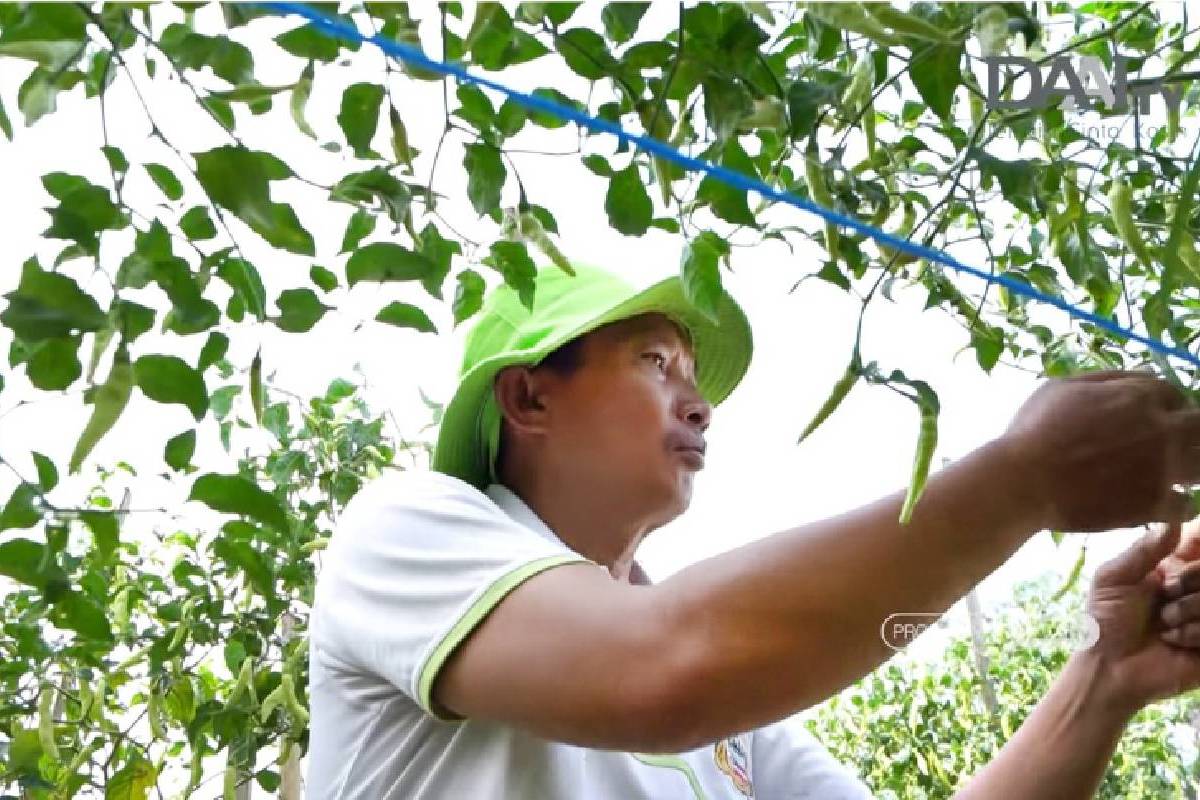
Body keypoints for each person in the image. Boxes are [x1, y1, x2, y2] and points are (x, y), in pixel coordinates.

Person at [306, 262, 1200, 798]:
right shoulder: (409, 530)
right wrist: (1026, 479)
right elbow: (666, 668)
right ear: (528, 396)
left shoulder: (735, 721)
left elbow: (690, 666)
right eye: (656, 363)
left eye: (694, 376)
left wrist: (1104, 674)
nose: (698, 404)